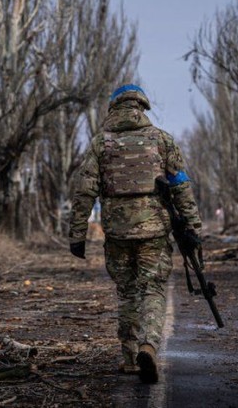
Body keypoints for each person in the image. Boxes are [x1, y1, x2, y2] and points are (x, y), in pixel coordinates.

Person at [67, 84, 202, 384]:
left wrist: (77, 234)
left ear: (114, 108)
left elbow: (85, 191)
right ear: (142, 106)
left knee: (127, 292)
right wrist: (193, 227)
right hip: (155, 232)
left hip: (117, 234)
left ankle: (129, 359)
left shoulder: (101, 144)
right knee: (153, 289)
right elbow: (181, 187)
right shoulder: (162, 140)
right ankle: (149, 346)